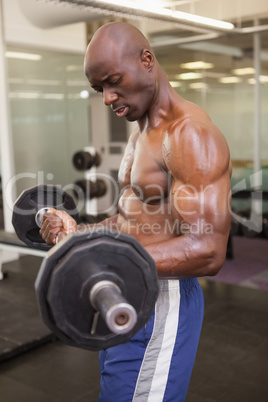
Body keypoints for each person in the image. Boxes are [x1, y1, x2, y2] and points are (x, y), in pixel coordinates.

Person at [40, 22, 232, 402]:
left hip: (162, 298)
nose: (108, 98)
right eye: (100, 90)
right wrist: (80, 233)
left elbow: (208, 250)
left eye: (113, 81)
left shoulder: (189, 134)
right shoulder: (141, 133)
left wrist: (104, 256)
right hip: (126, 287)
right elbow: (133, 223)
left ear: (146, 60)